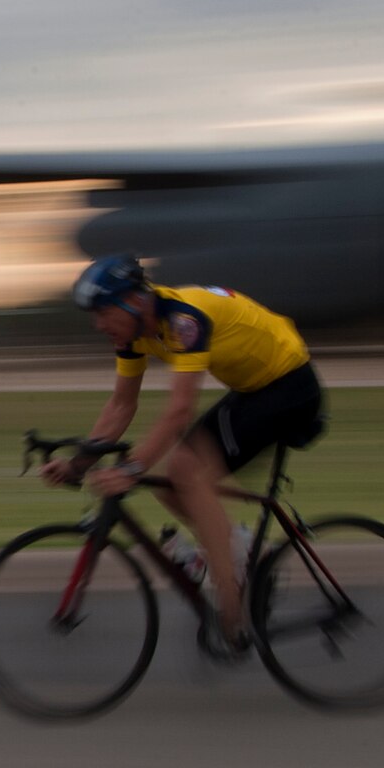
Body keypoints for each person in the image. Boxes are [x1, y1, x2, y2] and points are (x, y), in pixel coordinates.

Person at [41, 254, 325, 651]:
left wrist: (132, 468)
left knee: (187, 470)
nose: (98, 324)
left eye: (103, 312)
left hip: (289, 387)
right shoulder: (134, 335)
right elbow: (122, 406)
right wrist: (77, 464)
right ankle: (242, 555)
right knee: (171, 482)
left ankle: (232, 608)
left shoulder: (183, 322)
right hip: (253, 389)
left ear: (133, 302)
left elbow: (178, 412)